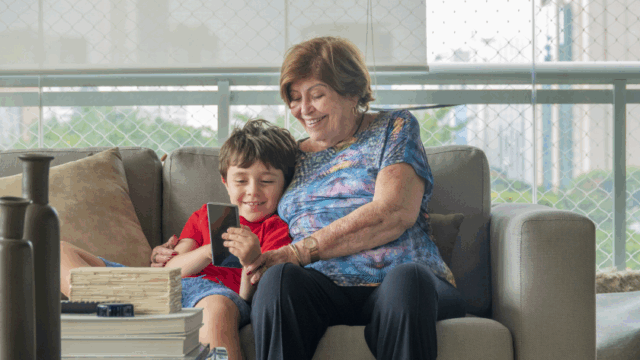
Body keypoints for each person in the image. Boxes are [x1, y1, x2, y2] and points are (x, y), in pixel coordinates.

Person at [244, 36, 467, 360]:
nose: (303, 109)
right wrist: (188, 241)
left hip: (399, 281)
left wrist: (300, 251)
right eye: (294, 98)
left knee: (408, 280)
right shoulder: (290, 155)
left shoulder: (395, 126)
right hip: (320, 288)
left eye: (316, 95)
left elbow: (394, 212)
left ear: (352, 92)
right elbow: (248, 192)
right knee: (278, 280)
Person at [60, 119, 298, 360]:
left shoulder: (277, 229)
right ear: (225, 183)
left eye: (266, 181)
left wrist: (251, 260)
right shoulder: (206, 216)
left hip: (217, 295)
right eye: (241, 181)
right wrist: (208, 251)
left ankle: (122, 309)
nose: (253, 191)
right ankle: (110, 303)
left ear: (284, 185)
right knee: (57, 252)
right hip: (162, 287)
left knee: (216, 310)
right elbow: (171, 269)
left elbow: (252, 298)